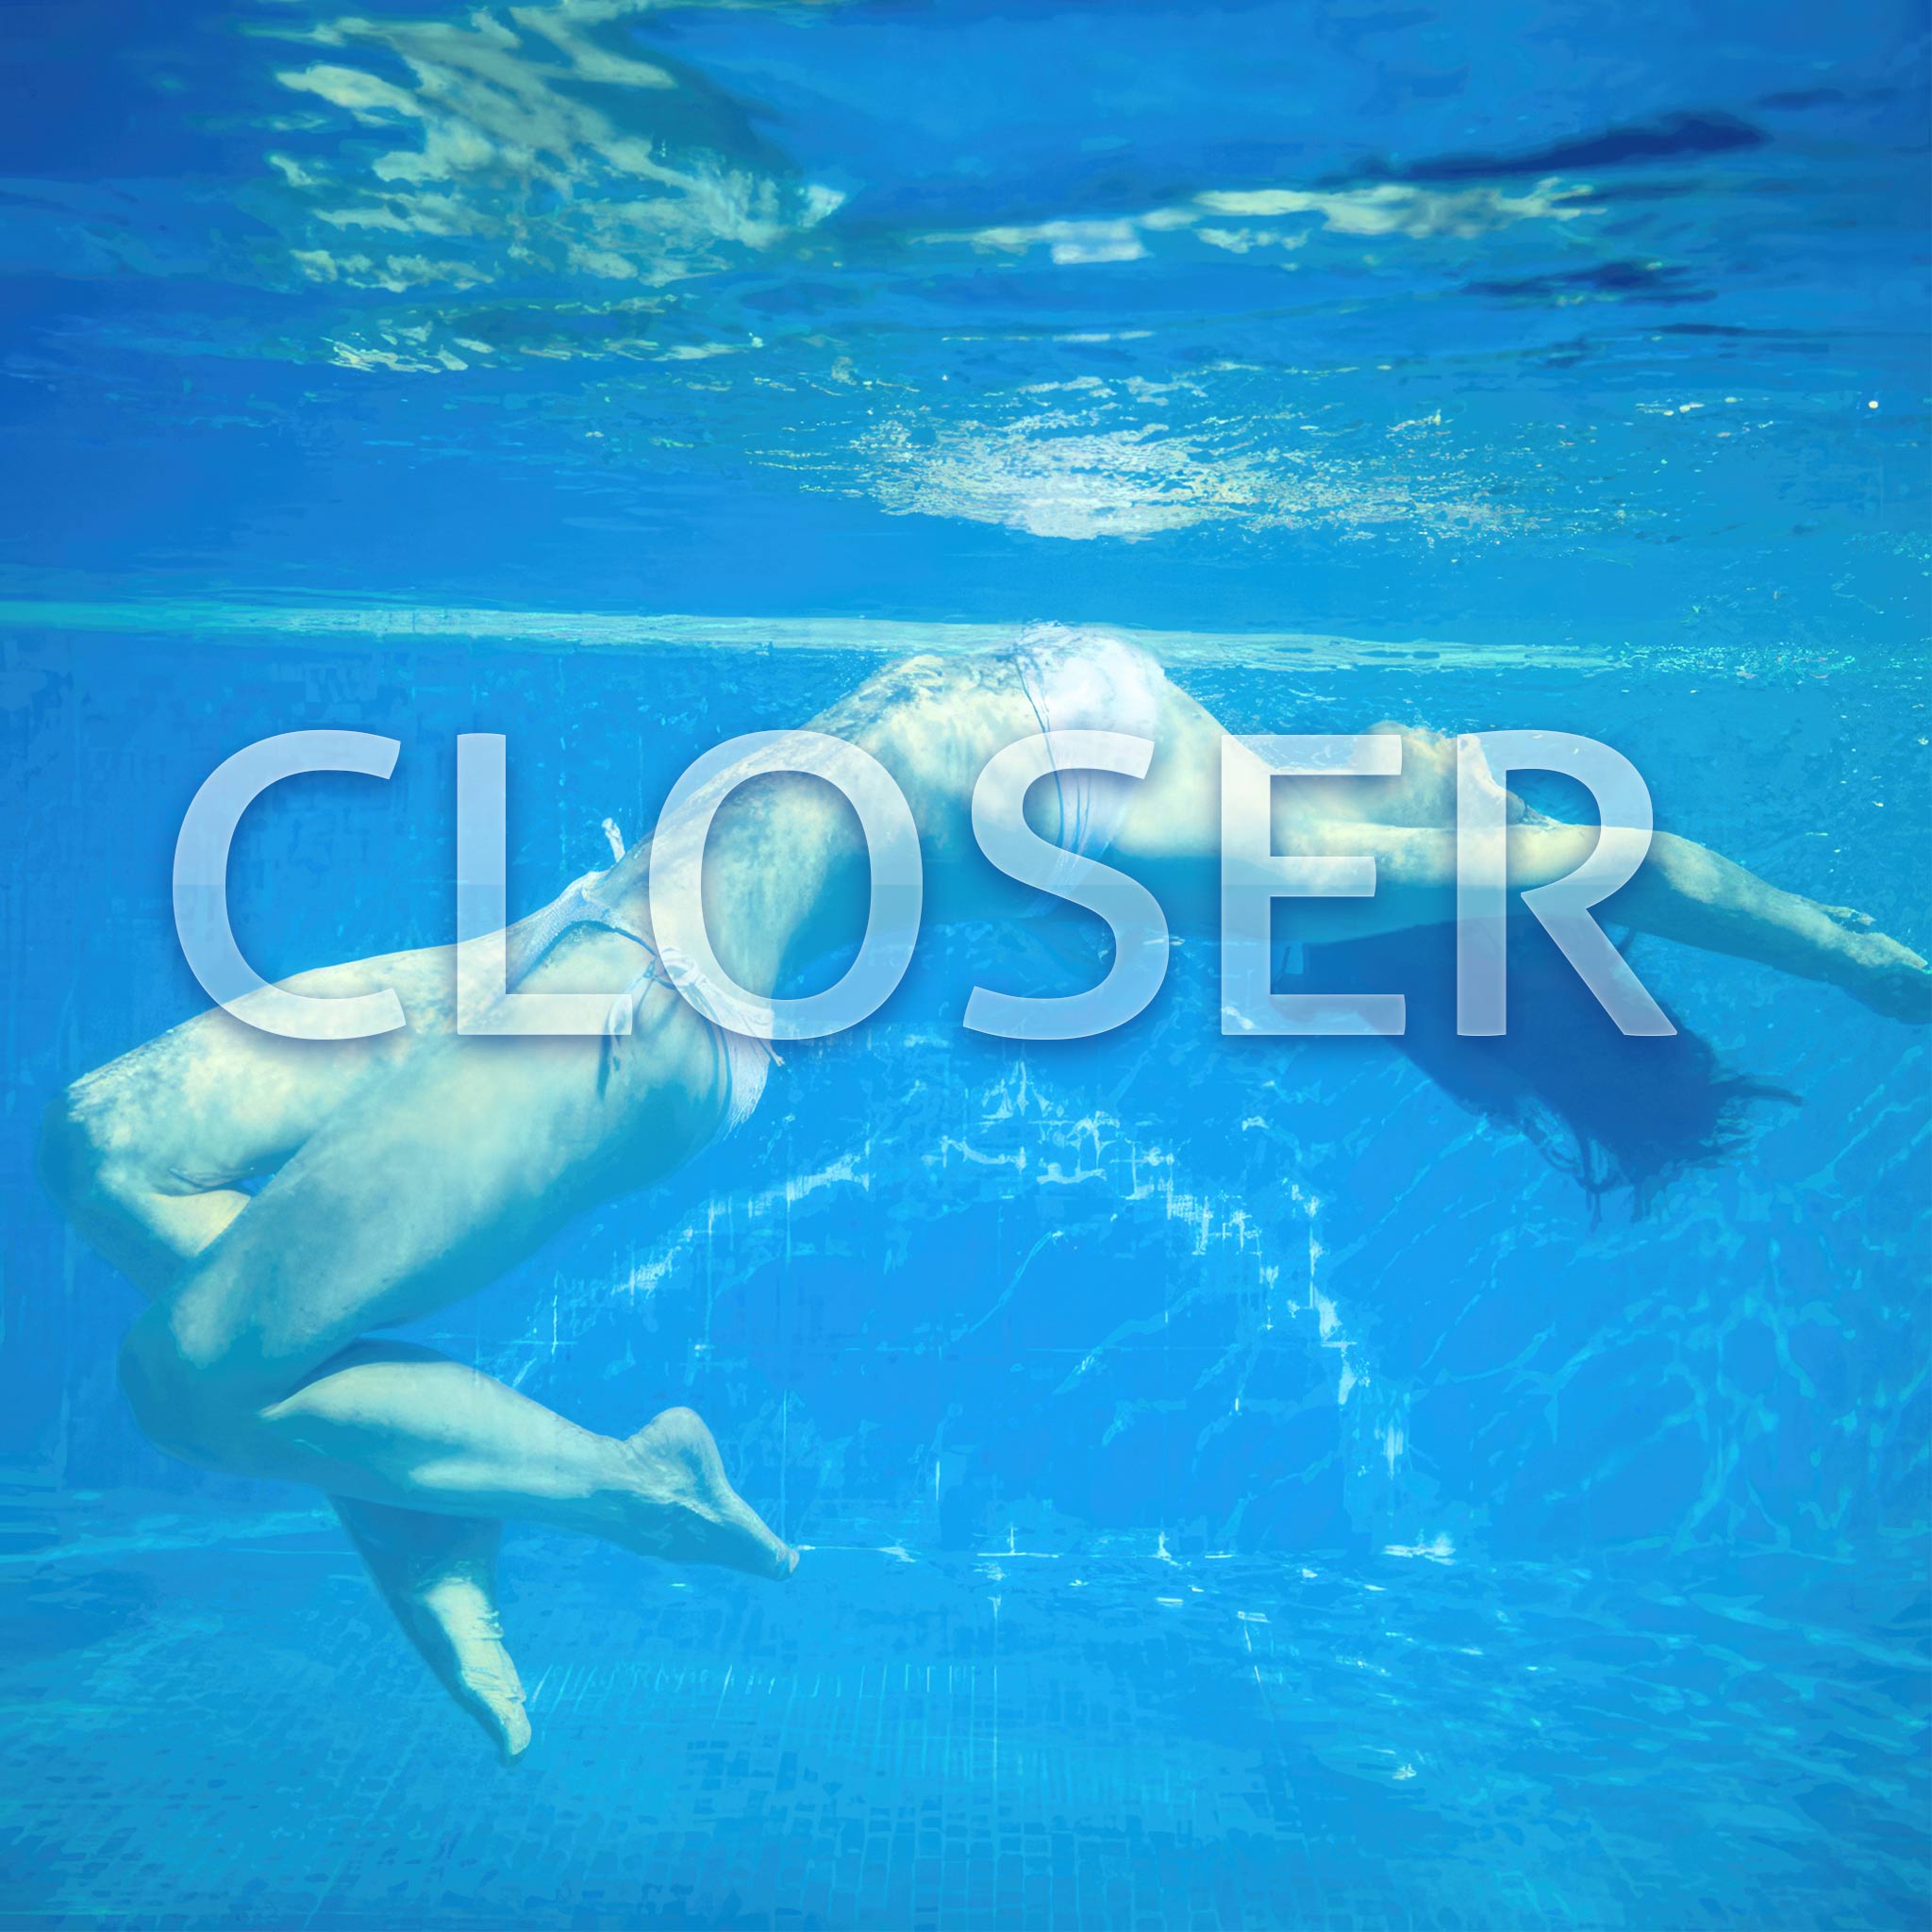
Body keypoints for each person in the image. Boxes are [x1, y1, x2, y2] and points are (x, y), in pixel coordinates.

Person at [36, 627, 1930, 1760]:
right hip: (568, 929)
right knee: (108, 1138)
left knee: (184, 1374)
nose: (1464, 741)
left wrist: (1858, 959)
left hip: (638, 1017)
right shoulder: (1217, 746)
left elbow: (1642, 856)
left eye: (1486, 787)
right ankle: (394, 1462)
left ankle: (603, 1478)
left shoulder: (1270, 850)